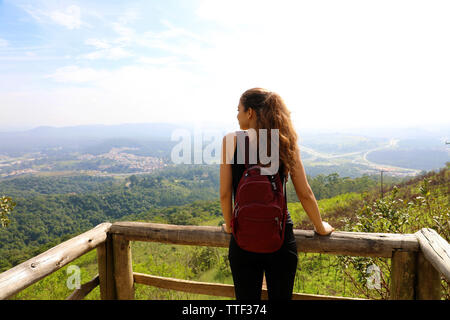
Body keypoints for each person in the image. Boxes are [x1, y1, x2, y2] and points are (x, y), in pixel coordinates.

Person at [219, 87, 334, 300]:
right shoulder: (283, 141)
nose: (237, 115)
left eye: (239, 110)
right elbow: (305, 193)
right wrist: (320, 227)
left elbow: (225, 194)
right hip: (279, 237)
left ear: (250, 112)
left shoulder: (230, 141)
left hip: (243, 238)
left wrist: (230, 225)